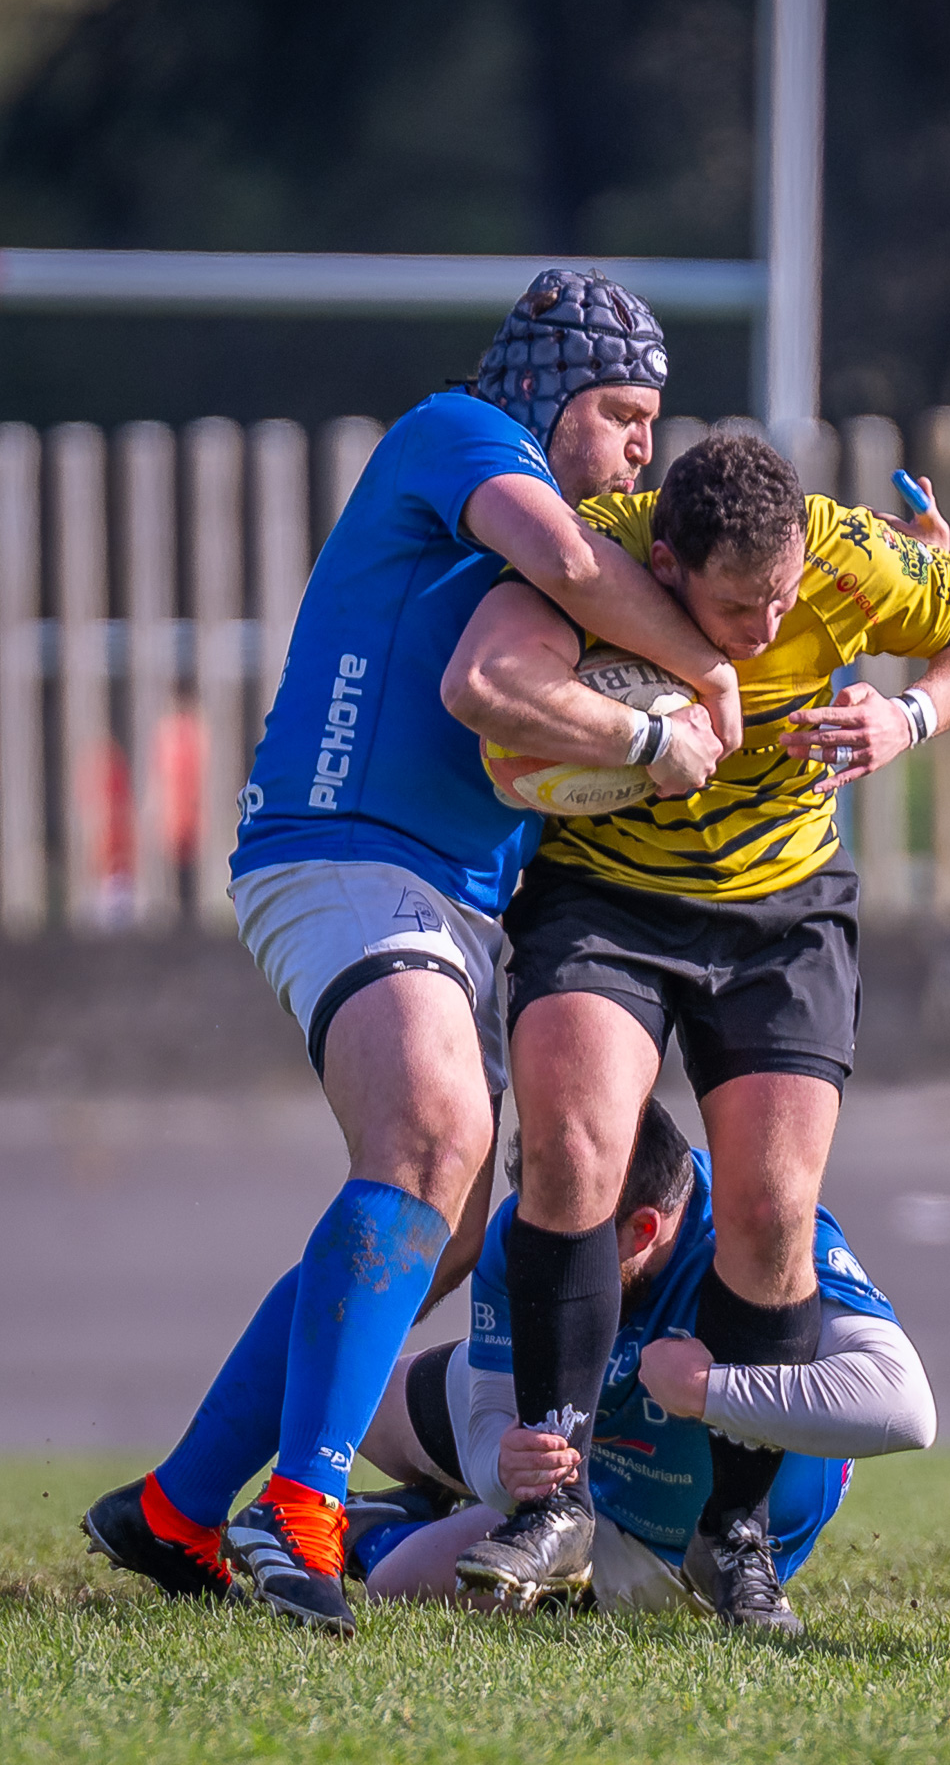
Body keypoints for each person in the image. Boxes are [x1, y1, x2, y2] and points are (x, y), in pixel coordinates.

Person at [82, 270, 741, 1639]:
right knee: (440, 1131)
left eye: (652, 421)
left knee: (438, 1225)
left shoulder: (563, 498)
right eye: (621, 412)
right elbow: (563, 566)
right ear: (552, 388)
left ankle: (183, 1505)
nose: (639, 446)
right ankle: (304, 1506)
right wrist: (705, 677)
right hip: (343, 844)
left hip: (446, 892)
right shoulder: (462, 433)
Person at [442, 432, 950, 1625]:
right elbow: (484, 680)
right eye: (731, 608)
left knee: (772, 1217)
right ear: (664, 566)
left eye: (777, 601)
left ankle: (737, 1529)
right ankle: (551, 1500)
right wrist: (637, 738)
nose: (762, 632)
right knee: (572, 1152)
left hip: (785, 916)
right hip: (606, 902)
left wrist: (911, 716)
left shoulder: (848, 557)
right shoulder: (595, 550)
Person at [325, 1098, 936, 1626]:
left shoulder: (761, 1229)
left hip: (661, 1538)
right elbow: (491, 1401)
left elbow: (907, 1409)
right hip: (593, 1430)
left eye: (573, 1239)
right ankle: (403, 1499)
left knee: (401, 1581)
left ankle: (367, 1528)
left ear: (642, 1229)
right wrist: (499, 1463)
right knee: (361, 1403)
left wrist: (707, 1390)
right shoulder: (532, 1223)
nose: (544, 1241)